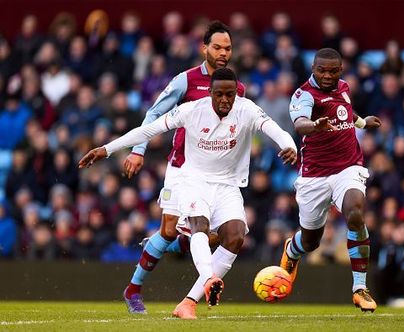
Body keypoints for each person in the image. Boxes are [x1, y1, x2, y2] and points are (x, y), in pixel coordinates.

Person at [79, 68, 297, 319]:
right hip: (193, 181)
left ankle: (189, 302)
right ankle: (208, 279)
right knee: (198, 226)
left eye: (230, 95)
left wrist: (288, 145)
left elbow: (274, 128)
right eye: (220, 95)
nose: (225, 100)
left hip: (227, 185)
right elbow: (148, 129)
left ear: (236, 94)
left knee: (235, 236)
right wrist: (106, 149)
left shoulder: (246, 108)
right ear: (210, 94)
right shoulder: (192, 110)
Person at [119, 21, 245, 315]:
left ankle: (179, 244)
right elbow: (154, 112)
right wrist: (138, 150)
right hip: (182, 167)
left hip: (217, 174)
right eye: (217, 47)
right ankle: (133, 289)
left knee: (215, 234)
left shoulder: (235, 87)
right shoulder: (185, 81)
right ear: (204, 48)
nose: (223, 52)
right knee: (166, 229)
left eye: (227, 48)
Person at [280, 48, 381, 312]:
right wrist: (314, 126)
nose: (327, 75)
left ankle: (359, 288)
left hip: (348, 167)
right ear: (313, 69)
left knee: (355, 213)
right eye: (321, 70)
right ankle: (292, 250)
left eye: (332, 71)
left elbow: (346, 112)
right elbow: (300, 123)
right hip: (314, 175)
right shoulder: (304, 95)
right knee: (312, 241)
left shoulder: (344, 87)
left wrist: (362, 123)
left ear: (340, 70)